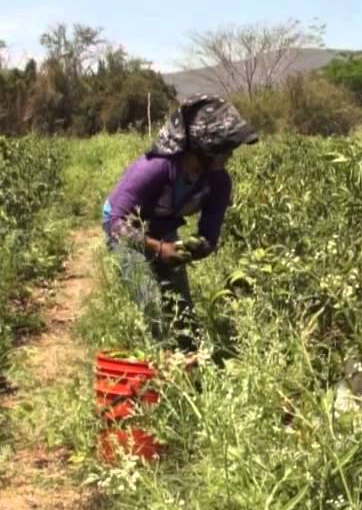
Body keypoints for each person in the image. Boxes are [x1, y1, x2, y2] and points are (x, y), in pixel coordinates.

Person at [101, 94, 257, 353]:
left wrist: (197, 248)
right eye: (225, 147)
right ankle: (156, 359)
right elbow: (116, 224)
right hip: (125, 228)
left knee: (181, 308)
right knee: (148, 298)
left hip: (162, 228)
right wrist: (160, 250)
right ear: (205, 145)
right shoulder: (155, 167)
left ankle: (186, 361)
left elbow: (209, 235)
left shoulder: (219, 182)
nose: (230, 153)